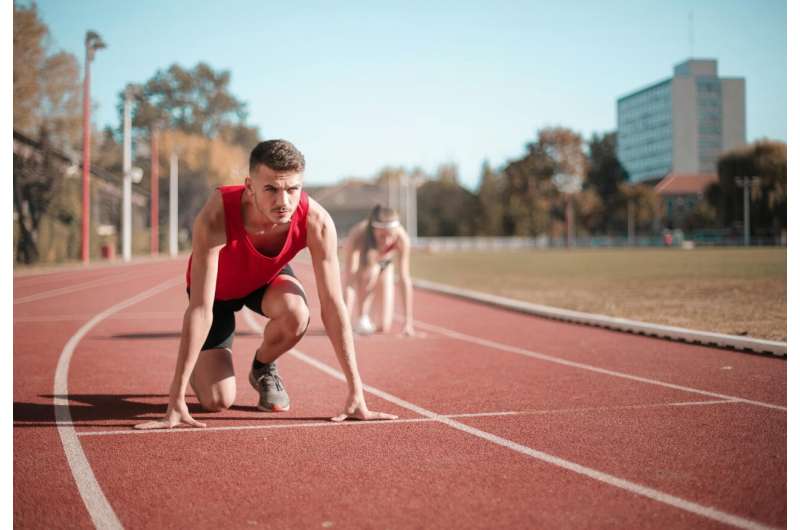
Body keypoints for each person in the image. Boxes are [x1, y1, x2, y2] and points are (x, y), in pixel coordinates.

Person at [135, 140, 397, 429]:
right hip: (217, 294)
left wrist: (356, 392)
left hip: (264, 281)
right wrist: (175, 399)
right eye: (271, 189)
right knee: (217, 401)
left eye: (292, 189)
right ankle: (200, 363)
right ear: (250, 186)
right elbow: (200, 308)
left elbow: (334, 305)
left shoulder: (317, 222)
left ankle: (262, 367)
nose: (283, 201)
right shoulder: (216, 215)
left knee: (297, 312)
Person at [341, 205, 415, 336]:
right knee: (370, 273)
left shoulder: (402, 238)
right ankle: (362, 317)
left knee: (383, 326)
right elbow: (349, 281)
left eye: (390, 236)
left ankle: (369, 319)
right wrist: (343, 321)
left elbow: (404, 279)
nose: (386, 241)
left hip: (386, 265)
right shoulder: (358, 235)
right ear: (373, 230)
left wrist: (407, 323)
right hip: (364, 266)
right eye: (381, 236)